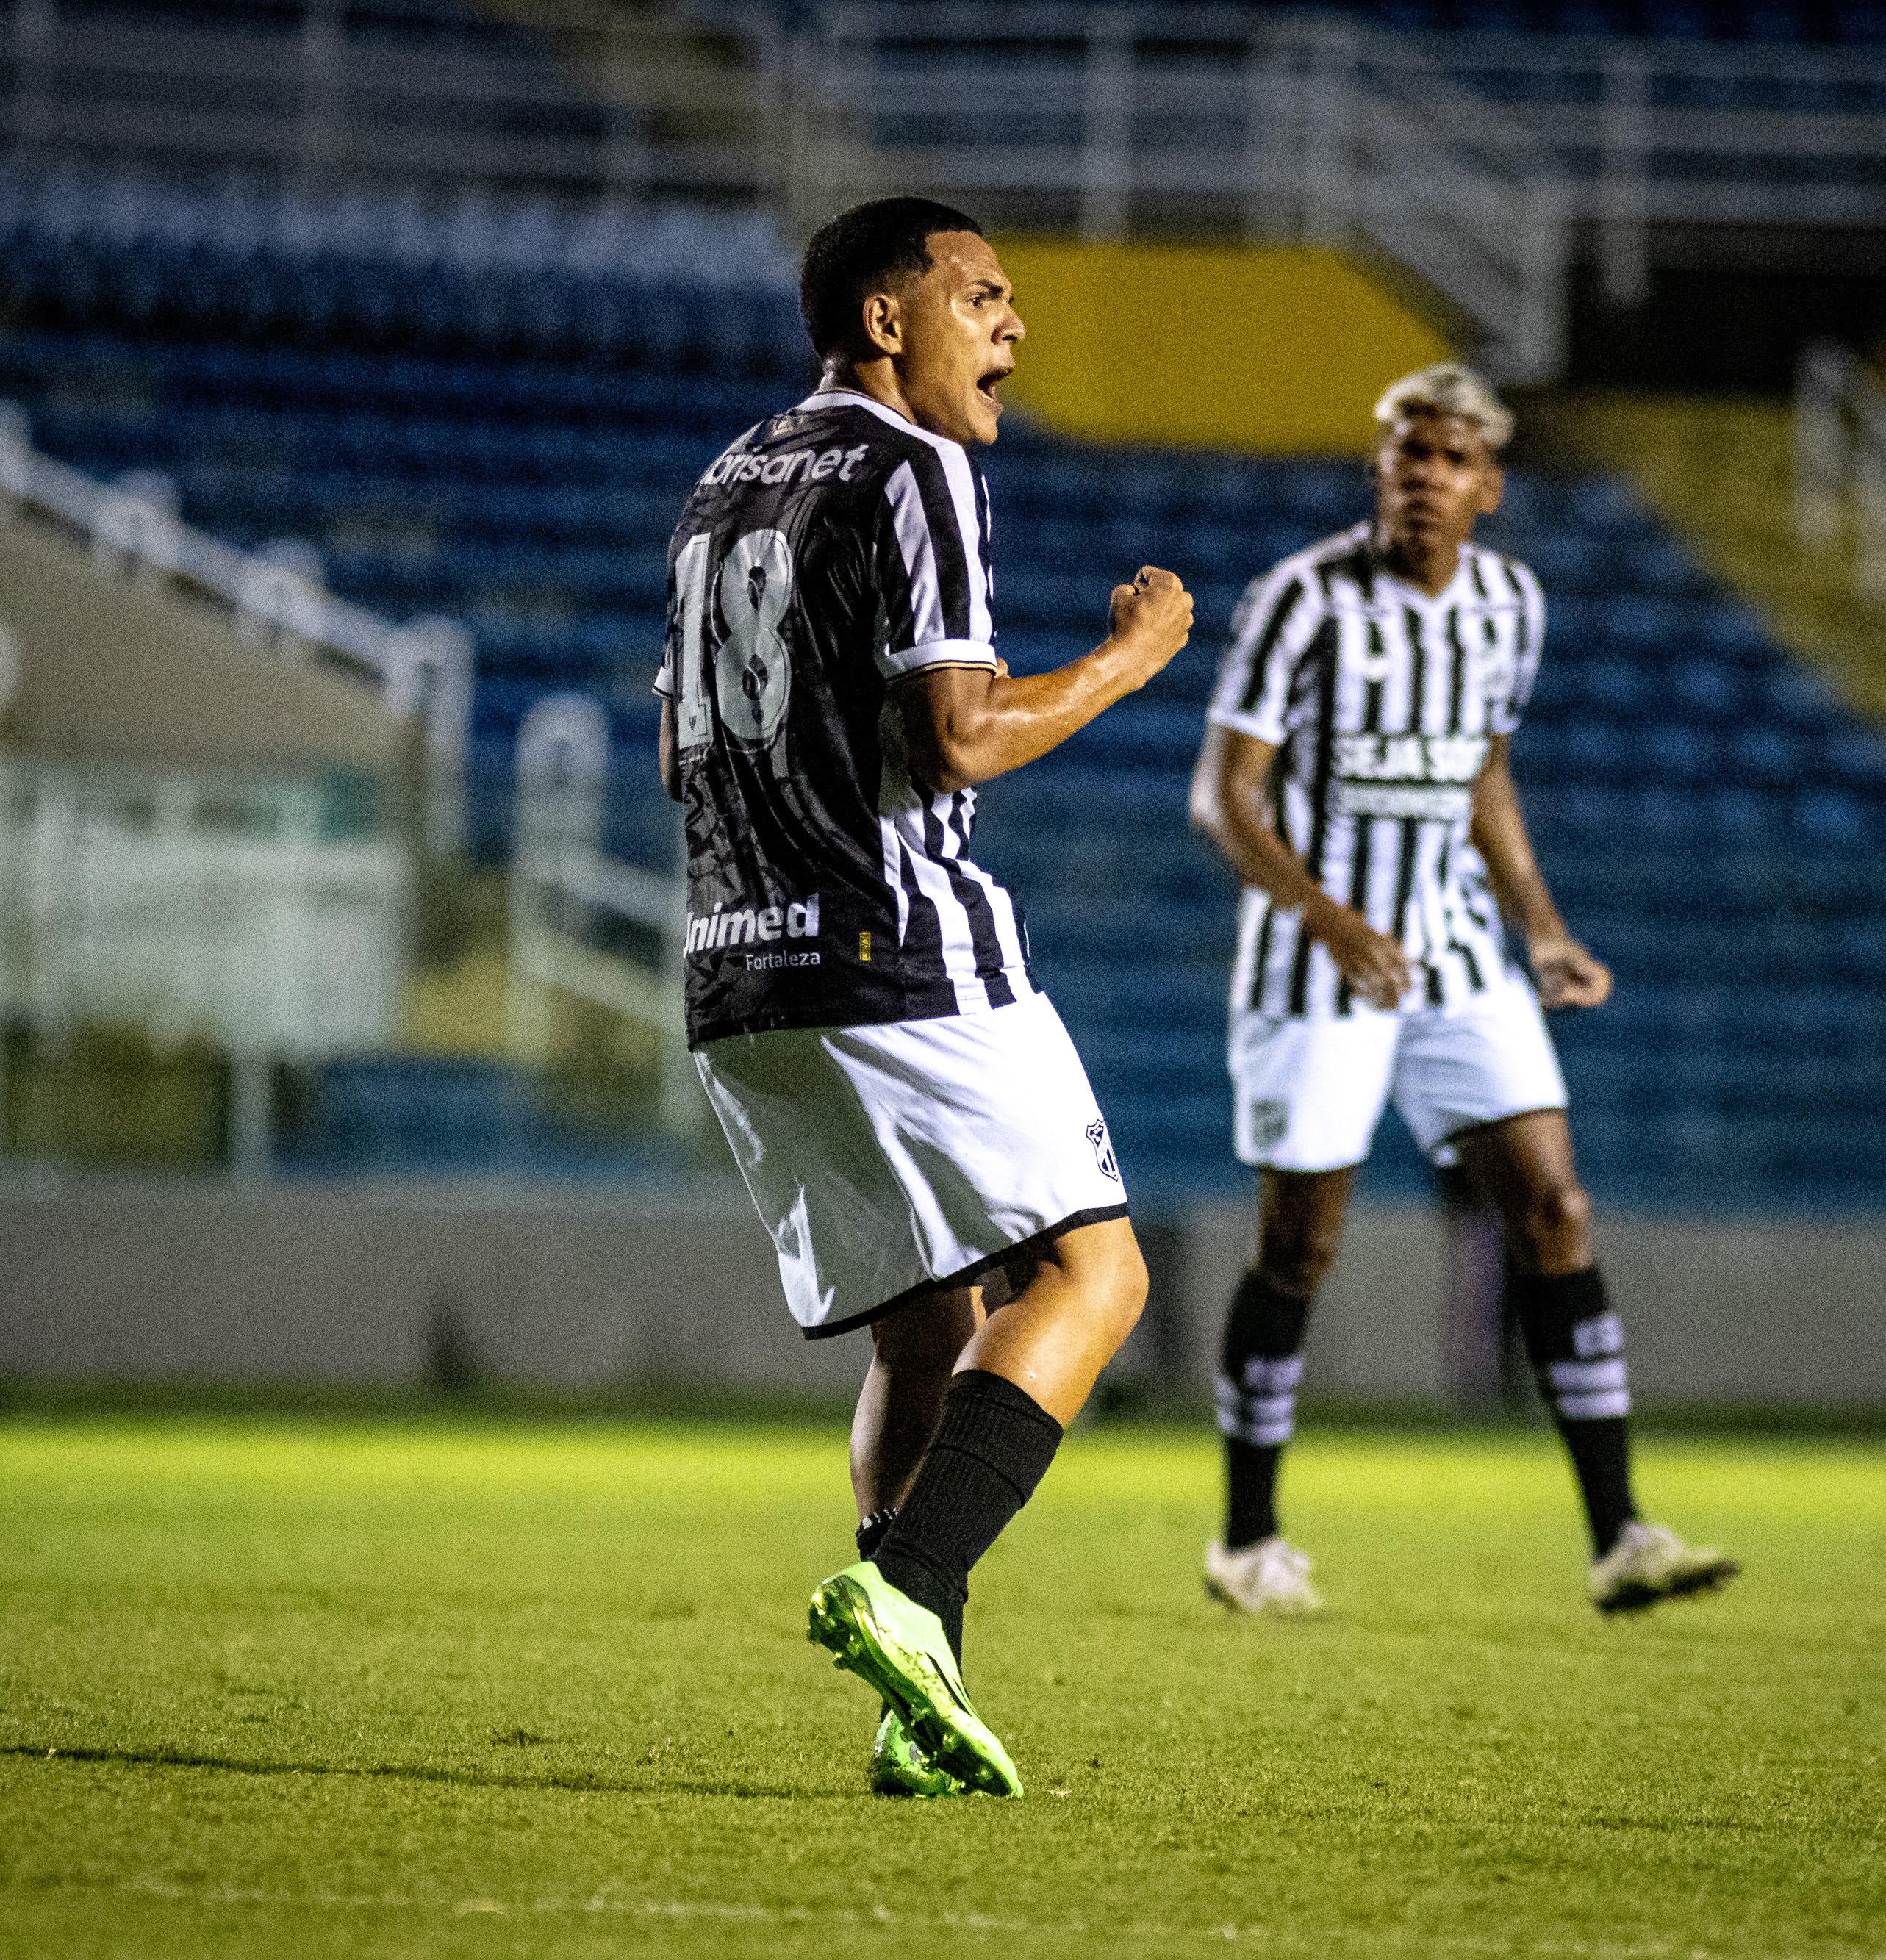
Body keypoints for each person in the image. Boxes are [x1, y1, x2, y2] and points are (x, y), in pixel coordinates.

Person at [656, 196, 1194, 1798]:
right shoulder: (915, 466)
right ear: (887, 322)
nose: (1010, 328)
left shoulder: (724, 481)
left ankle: (915, 1694)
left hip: (734, 965)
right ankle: (914, 1587)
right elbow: (954, 736)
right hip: (892, 944)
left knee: (922, 1326)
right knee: (1097, 1279)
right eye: (981, 296)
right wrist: (1129, 657)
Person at [1186, 362, 1738, 1618]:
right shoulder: (1301, 600)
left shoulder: (1508, 605)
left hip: (1457, 953)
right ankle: (1246, 1539)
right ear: (1379, 468)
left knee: (1555, 1208)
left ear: (1488, 484)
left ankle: (1621, 1535)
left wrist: (1542, 927)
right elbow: (1225, 795)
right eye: (1402, 453)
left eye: (1446, 458)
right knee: (1302, 1244)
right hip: (1317, 959)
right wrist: (1324, 912)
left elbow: (1484, 773)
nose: (1420, 476)